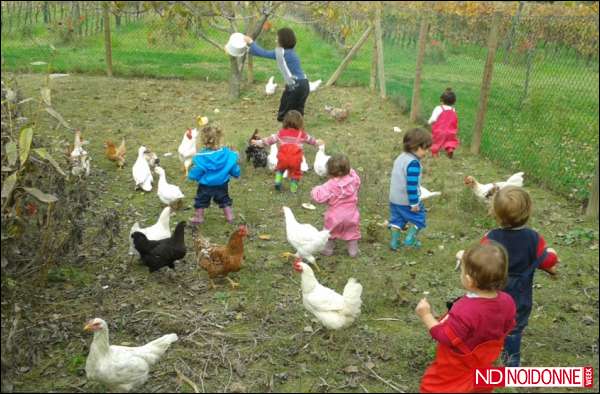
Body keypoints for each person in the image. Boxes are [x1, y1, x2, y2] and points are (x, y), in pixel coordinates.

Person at [416, 242, 516, 393]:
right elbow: (508, 326)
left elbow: (446, 337)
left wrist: (426, 315)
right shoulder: (507, 301)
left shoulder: (465, 309)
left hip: (455, 371)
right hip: (484, 368)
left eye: (462, 270)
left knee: (432, 388)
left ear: (469, 281)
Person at [482, 186, 559, 367]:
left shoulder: (490, 237)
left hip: (492, 295)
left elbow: (480, 259)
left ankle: (486, 354)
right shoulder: (534, 238)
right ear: (528, 211)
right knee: (514, 329)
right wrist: (552, 254)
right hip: (520, 297)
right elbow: (547, 261)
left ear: (495, 213)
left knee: (489, 325)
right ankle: (512, 362)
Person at [244, 28, 310, 122]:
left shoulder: (281, 52)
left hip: (295, 86)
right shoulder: (290, 51)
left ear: (283, 40)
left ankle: (288, 133)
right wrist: (247, 49)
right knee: (297, 112)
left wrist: (250, 42)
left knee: (286, 114)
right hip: (304, 85)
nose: (276, 40)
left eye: (277, 38)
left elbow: (263, 53)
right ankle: (298, 133)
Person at [252, 110, 322, 193]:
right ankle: (293, 189)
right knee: (296, 173)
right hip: (296, 159)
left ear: (285, 122)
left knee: (280, 169)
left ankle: (278, 181)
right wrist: (318, 142)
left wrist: (258, 142)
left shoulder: (281, 133)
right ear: (300, 122)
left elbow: (269, 140)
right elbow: (312, 141)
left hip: (283, 158)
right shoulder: (302, 134)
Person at [389, 128, 432, 250]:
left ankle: (394, 242)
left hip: (394, 198)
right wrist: (414, 202)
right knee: (419, 217)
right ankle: (410, 239)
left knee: (397, 219)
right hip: (406, 200)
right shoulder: (413, 163)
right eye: (425, 148)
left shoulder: (400, 157)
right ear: (415, 147)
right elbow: (411, 185)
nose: (426, 152)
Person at [311, 154, 361, 257]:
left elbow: (319, 197)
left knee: (329, 234)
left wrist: (314, 190)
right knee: (352, 233)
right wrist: (348, 169)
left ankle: (327, 250)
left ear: (329, 172)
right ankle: (353, 251)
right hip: (352, 215)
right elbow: (357, 180)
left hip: (335, 217)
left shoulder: (330, 185)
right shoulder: (354, 179)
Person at [188, 125, 240, 224]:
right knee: (224, 199)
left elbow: (198, 169)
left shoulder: (201, 156)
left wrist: (193, 176)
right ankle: (230, 217)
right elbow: (232, 166)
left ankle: (199, 217)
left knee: (201, 201)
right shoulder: (227, 153)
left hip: (206, 185)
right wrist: (236, 173)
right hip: (222, 183)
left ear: (204, 140)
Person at [428, 88, 459, 158]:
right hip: (451, 131)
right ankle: (450, 149)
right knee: (450, 142)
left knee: (436, 142)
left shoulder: (438, 108)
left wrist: (429, 122)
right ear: (454, 102)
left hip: (440, 131)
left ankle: (435, 153)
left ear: (441, 100)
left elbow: (433, 118)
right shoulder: (453, 110)